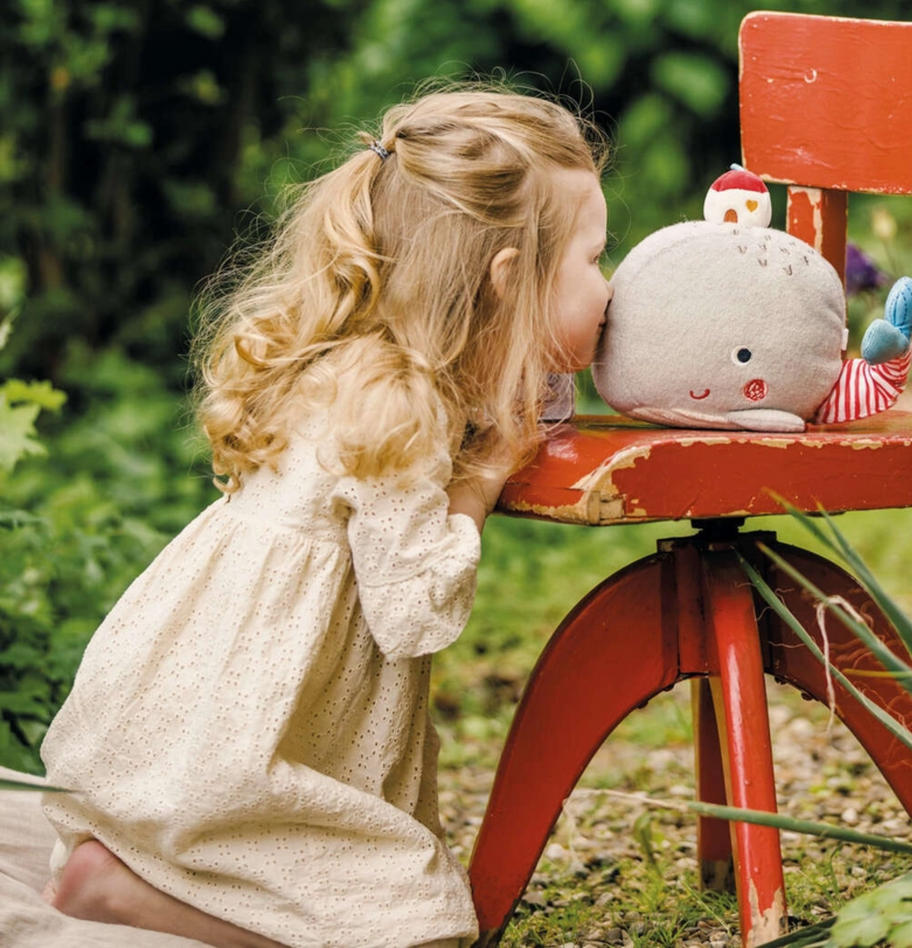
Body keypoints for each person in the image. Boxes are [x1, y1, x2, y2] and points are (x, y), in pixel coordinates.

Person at [38, 85, 612, 948]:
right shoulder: (399, 411)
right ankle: (127, 895)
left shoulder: (360, 364)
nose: (607, 285)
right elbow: (414, 613)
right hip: (249, 750)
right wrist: (484, 478)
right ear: (504, 281)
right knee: (416, 922)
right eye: (594, 259)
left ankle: (146, 872)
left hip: (205, 715)